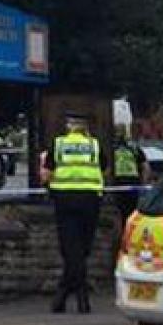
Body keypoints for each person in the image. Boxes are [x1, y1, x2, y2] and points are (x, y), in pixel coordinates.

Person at [41, 112, 107, 314]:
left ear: (69, 126)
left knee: (71, 250)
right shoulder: (94, 145)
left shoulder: (58, 144)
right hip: (90, 200)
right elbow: (104, 170)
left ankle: (66, 296)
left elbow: (48, 173)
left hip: (64, 199)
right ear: (85, 127)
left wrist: (47, 185)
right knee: (82, 249)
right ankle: (78, 299)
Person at [112, 129, 151, 227]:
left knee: (121, 212)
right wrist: (143, 184)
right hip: (132, 183)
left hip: (118, 184)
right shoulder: (134, 148)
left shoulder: (113, 148)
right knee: (132, 212)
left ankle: (125, 232)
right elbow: (146, 167)